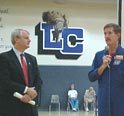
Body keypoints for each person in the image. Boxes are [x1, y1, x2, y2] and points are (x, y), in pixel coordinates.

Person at [0, 29, 42, 116]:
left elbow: (39, 80)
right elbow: (4, 81)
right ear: (16, 39)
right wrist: (25, 90)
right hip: (11, 108)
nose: (29, 40)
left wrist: (31, 95)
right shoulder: (4, 58)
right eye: (26, 38)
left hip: (30, 108)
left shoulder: (32, 59)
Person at [88, 23, 124, 116]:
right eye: (105, 33)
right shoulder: (99, 55)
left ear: (118, 35)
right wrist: (103, 66)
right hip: (103, 103)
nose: (106, 36)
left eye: (109, 33)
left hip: (120, 103)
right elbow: (91, 77)